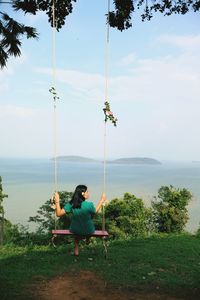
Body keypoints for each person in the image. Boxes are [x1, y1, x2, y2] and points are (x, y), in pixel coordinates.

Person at [54, 185, 107, 256]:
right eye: (87, 192)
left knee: (77, 229)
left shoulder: (71, 204)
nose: (88, 193)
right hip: (89, 230)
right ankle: (87, 238)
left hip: (75, 230)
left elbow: (58, 214)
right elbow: (95, 211)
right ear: (83, 193)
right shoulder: (89, 204)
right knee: (88, 220)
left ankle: (76, 249)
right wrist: (101, 201)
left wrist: (57, 201)